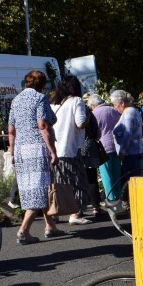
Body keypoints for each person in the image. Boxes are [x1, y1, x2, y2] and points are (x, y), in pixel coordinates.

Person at [9, 70, 62, 244]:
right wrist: (52, 151)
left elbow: (11, 129)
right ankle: (23, 231)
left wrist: (12, 151)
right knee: (39, 189)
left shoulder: (16, 100)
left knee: (35, 188)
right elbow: (43, 125)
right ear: (41, 84)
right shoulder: (40, 98)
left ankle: (50, 226)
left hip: (21, 150)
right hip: (36, 148)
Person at [50, 76, 93, 226]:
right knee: (78, 182)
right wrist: (88, 116)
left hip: (54, 150)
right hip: (70, 149)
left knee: (58, 183)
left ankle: (54, 214)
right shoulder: (76, 101)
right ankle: (76, 214)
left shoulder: (54, 103)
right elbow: (80, 123)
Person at [90, 93, 121, 202]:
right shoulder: (113, 110)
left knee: (106, 174)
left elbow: (94, 132)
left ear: (93, 105)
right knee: (116, 172)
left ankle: (111, 198)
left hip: (103, 147)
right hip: (116, 144)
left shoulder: (94, 113)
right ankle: (118, 196)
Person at [110, 90, 143, 184]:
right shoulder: (132, 111)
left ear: (121, 103)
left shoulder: (128, 113)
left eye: (115, 104)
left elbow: (128, 133)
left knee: (132, 181)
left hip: (130, 153)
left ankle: (134, 198)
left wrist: (122, 150)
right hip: (133, 152)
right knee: (133, 180)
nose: (114, 107)